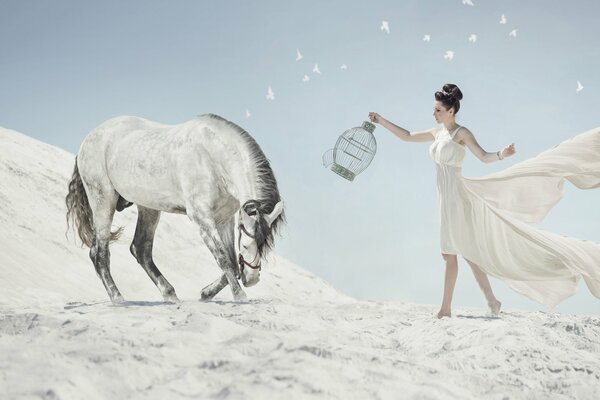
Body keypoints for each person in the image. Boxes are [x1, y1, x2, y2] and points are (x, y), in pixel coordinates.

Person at [368, 83, 600, 318]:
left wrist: (501, 154)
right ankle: (492, 301)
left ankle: (445, 309)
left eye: (438, 110)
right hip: (444, 199)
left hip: (458, 198)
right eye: (434, 109)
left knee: (449, 254)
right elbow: (407, 136)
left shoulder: (462, 134)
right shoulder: (436, 133)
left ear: (451, 111)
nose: (434, 114)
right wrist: (382, 121)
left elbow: (483, 157)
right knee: (468, 251)